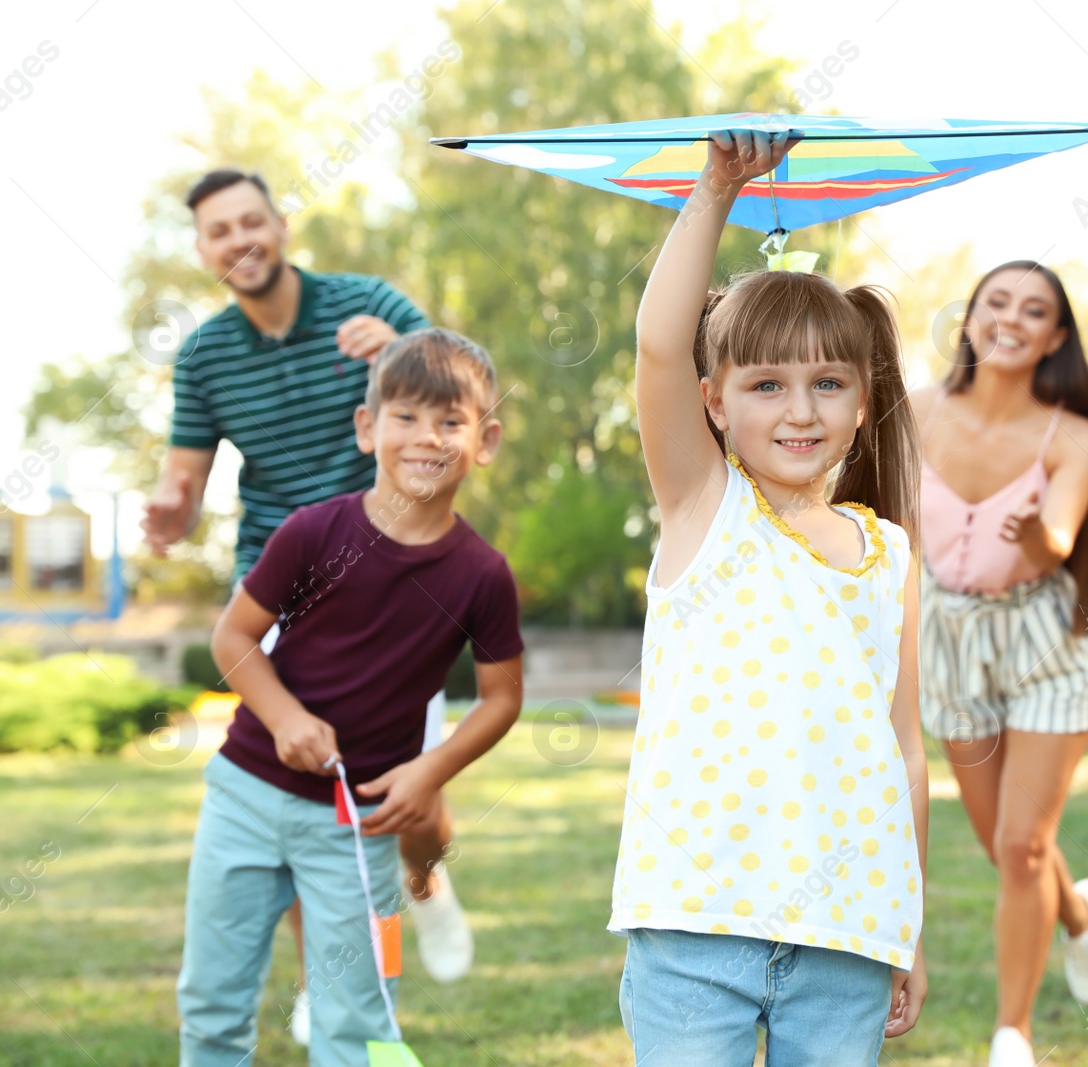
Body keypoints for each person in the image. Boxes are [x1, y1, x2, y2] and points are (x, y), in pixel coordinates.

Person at [610, 127, 929, 1066]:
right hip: (695, 922)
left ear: (864, 401)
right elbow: (658, 346)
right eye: (767, 383)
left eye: (829, 382)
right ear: (715, 401)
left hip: (846, 935)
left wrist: (906, 925)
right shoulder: (706, 509)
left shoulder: (891, 555)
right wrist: (716, 188)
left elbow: (907, 752)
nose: (800, 409)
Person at [143, 169, 474, 1042]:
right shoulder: (207, 354)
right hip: (280, 591)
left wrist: (399, 344)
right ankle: (321, 978)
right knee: (310, 800)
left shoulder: (363, 301)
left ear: (281, 225)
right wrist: (171, 511)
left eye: (252, 220)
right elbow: (183, 477)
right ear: (203, 250)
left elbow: (460, 382)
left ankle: (427, 879)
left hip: (394, 586)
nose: (240, 239)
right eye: (220, 230)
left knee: (411, 795)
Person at [177, 327, 525, 1066]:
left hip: (363, 827)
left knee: (361, 1019)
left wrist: (430, 772)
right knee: (212, 1002)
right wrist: (284, 716)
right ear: (368, 428)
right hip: (244, 796)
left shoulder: (483, 575)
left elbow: (501, 698)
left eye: (451, 421)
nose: (427, 438)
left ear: (485, 440)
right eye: (406, 416)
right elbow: (233, 638)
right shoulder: (312, 532)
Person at [910, 261, 1088, 1067]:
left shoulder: (1073, 436)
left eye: (1034, 311)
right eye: (997, 301)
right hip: (951, 640)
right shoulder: (916, 412)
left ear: (1055, 337)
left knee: (1026, 845)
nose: (1011, 318)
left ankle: (1012, 1035)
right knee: (1001, 843)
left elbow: (1057, 539)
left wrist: (1030, 531)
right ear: (971, 316)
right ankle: (1081, 910)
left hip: (1044, 642)